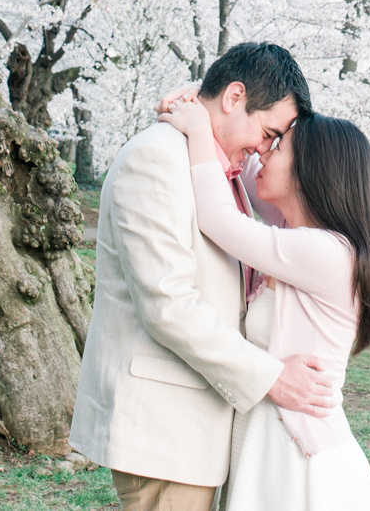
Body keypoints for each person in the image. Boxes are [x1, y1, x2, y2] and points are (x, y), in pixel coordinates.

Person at [69, 42, 336, 511]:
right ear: (234, 98)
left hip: (198, 428)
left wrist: (194, 96)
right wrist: (273, 379)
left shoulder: (216, 163)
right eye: (268, 131)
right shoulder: (157, 159)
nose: (264, 148)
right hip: (165, 430)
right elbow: (168, 306)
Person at [159, 95, 370, 511]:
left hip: (298, 459)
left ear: (308, 173)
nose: (263, 152)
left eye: (277, 146)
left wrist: (196, 128)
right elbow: (238, 161)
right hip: (269, 441)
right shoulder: (294, 226)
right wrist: (203, 103)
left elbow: (218, 218)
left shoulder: (327, 252)